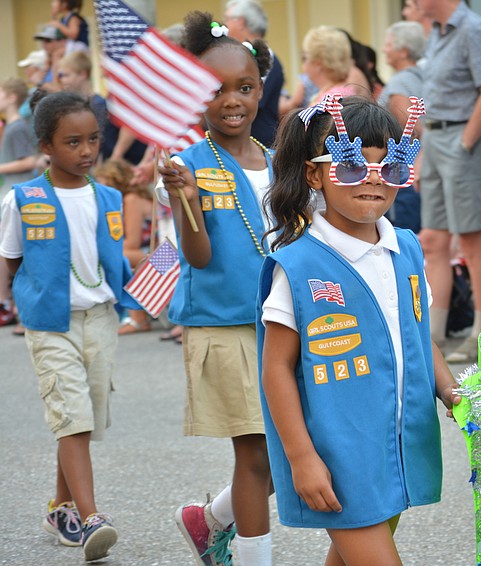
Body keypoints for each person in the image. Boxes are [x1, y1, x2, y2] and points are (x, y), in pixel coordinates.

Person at [258, 93, 459, 565]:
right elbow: (276, 369)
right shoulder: (299, 265)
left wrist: (450, 390)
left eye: (391, 167)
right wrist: (301, 457)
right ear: (314, 175)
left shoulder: (407, 249)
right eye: (351, 166)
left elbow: (418, 334)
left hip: (400, 444)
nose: (373, 178)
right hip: (339, 453)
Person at [156, 12, 275, 566]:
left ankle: (209, 520)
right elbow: (199, 257)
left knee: (287, 452)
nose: (232, 100)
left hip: (281, 326)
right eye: (215, 89)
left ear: (260, 90)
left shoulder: (277, 161)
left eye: (244, 88)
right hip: (226, 327)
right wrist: (186, 200)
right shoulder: (189, 166)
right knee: (256, 456)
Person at [0, 91, 137, 561]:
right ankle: (91, 515)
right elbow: (11, 259)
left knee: (82, 420)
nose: (86, 150)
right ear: (45, 146)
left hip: (100, 319)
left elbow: (113, 259)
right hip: (50, 324)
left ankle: (61, 508)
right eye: (72, 142)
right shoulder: (24, 199)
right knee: (72, 414)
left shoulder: (108, 197)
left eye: (93, 139)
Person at [416, 0, 481, 362]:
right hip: (435, 137)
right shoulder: (437, 31)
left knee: (471, 238)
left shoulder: (472, 28)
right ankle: (433, 334)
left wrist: (466, 142)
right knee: (433, 240)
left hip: (461, 138)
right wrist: (425, 149)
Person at [93, 159, 153, 334]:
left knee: (118, 257)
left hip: (161, 254)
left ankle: (138, 320)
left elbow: (133, 242)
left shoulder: (131, 199)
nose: (98, 188)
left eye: (102, 182)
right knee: (110, 254)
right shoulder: (121, 202)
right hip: (146, 251)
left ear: (115, 181)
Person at [57, 51, 147, 166]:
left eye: (66, 75)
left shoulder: (100, 104)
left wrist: (115, 157)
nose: (62, 80)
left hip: (126, 163)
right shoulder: (83, 104)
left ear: (83, 74)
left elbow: (102, 138)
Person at [379, 21, 426, 233]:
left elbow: (410, 129)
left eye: (389, 44)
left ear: (403, 51)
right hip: (424, 166)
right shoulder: (423, 77)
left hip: (405, 171)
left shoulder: (400, 83)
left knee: (405, 233)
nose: (384, 49)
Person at [0, 78, 39, 328]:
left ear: (12, 97)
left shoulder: (17, 128)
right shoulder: (11, 126)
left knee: (15, 251)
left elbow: (29, 160)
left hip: (19, 191)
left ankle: (11, 304)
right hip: (11, 191)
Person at [223, 0, 284, 147]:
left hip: (259, 144)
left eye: (227, 19)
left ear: (240, 22)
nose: (224, 25)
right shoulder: (243, 55)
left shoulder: (264, 57)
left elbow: (251, 101)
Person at [302, 26, 358, 104]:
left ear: (318, 63)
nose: (303, 66)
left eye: (304, 58)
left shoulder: (331, 99)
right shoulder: (339, 91)